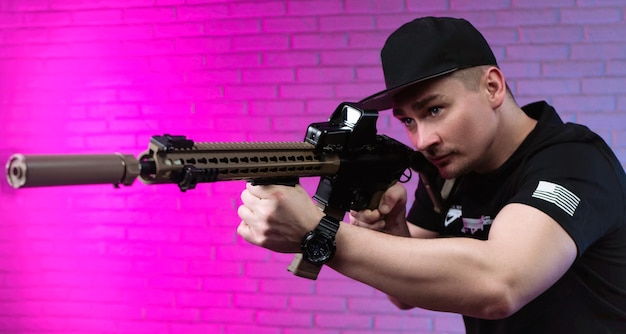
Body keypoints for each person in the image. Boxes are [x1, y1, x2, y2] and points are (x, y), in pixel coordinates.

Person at [236, 16, 626, 333]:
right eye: (408, 120)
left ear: (492, 87)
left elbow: (501, 283)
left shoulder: (572, 160)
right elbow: (407, 292)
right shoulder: (451, 169)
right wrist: (392, 230)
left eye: (434, 110)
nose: (423, 140)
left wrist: (317, 231)